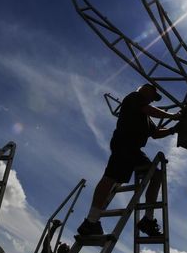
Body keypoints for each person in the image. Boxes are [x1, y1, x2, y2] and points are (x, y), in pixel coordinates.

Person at [77, 83, 180, 237]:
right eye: (153, 96)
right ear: (146, 90)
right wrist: (172, 116)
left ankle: (148, 219)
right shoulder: (134, 98)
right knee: (110, 178)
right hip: (124, 144)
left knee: (156, 175)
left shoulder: (146, 117)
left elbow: (155, 133)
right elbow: (148, 109)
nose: (152, 100)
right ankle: (91, 221)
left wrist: (173, 130)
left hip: (134, 150)